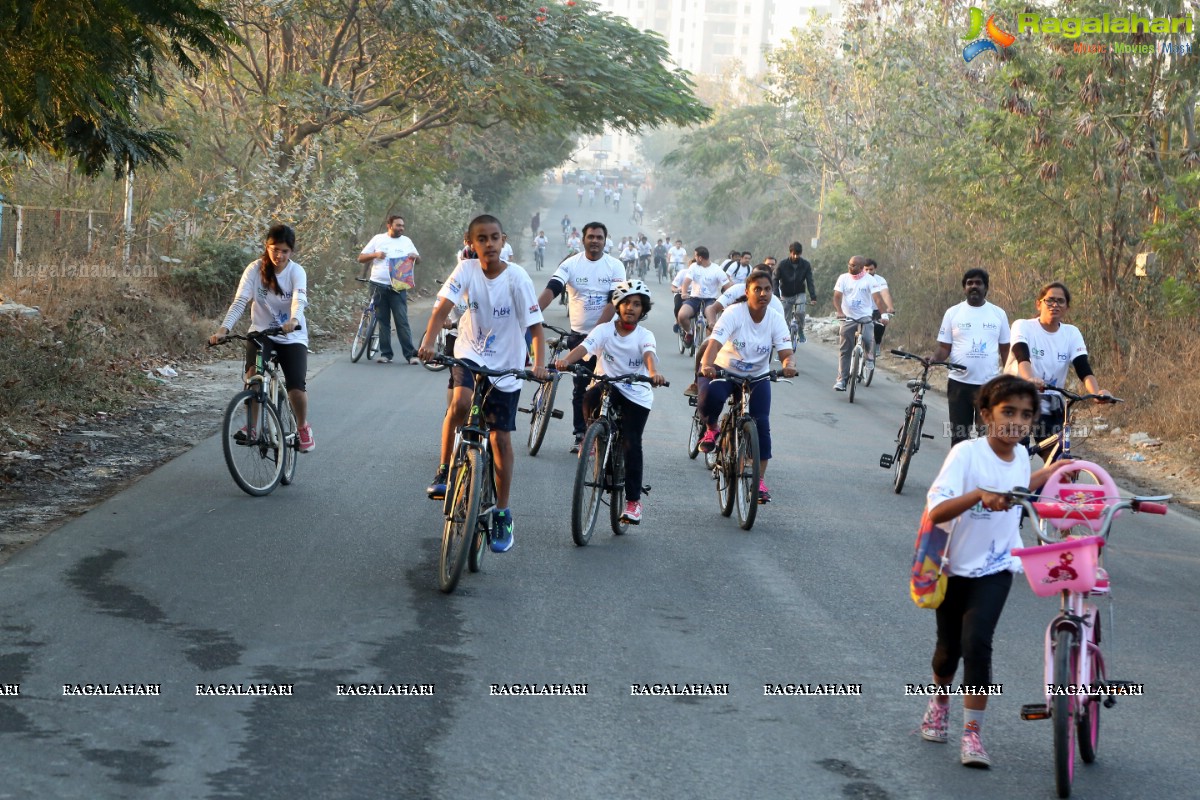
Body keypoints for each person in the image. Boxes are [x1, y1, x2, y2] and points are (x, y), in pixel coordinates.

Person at [918, 374, 1072, 768]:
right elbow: (937, 511)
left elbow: (1018, 487)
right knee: (947, 652)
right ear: (986, 414)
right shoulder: (966, 454)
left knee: (978, 644)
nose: (1016, 423)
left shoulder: (1021, 455)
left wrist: (1052, 472)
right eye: (1008, 413)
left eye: (1025, 416)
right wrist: (977, 496)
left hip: (998, 566)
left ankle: (973, 734)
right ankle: (939, 699)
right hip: (952, 567)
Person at [419, 215, 547, 553]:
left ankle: (502, 511)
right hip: (469, 352)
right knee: (460, 403)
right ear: (470, 242)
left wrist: (539, 363)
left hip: (507, 362)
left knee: (500, 438)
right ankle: (445, 470)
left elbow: (535, 328)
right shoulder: (465, 271)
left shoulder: (517, 277)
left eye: (494, 238)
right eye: (481, 239)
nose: (489, 244)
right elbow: (442, 307)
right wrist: (429, 341)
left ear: (503, 240)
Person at [554, 280, 666, 523]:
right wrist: (565, 360)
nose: (630, 308)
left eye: (636, 304)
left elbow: (648, 356)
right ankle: (590, 436)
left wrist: (652, 373)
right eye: (626, 303)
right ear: (617, 306)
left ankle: (633, 502)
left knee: (631, 443)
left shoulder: (645, 335)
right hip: (608, 385)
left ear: (643, 310)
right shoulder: (604, 330)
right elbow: (584, 348)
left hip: (637, 392)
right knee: (589, 396)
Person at [210, 224, 315, 452]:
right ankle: (253, 427)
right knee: (253, 377)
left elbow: (299, 300)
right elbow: (240, 301)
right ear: (267, 247)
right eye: (275, 249)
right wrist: (223, 329)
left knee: (296, 388)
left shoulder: (297, 272)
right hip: (261, 333)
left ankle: (302, 426)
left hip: (292, 335)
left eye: (285, 251)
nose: (279, 255)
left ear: (292, 252)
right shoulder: (254, 270)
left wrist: (294, 320)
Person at [696, 268, 797, 502]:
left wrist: (789, 364)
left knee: (762, 426)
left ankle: (759, 482)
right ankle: (712, 428)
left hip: (757, 377)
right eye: (758, 289)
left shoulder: (775, 318)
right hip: (727, 371)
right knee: (709, 398)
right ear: (747, 291)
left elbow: (785, 352)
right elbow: (714, 344)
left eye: (768, 289)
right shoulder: (733, 313)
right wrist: (708, 365)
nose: (763, 293)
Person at [538, 221, 628, 453]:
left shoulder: (615, 266)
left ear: (605, 241)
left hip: (607, 334)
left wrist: (597, 332)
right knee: (580, 387)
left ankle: (608, 427)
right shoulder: (571, 264)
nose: (595, 241)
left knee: (606, 384)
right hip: (579, 335)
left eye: (599, 237)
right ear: (583, 240)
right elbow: (553, 289)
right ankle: (581, 434)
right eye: (591, 237)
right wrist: (533, 314)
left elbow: (614, 301)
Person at [1003, 281, 1110, 444]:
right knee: (1017, 455)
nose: (1055, 305)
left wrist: (1097, 393)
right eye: (1050, 300)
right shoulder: (1022, 326)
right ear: (1039, 304)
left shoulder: (1071, 333)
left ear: (1067, 308)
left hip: (1050, 403)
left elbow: (1083, 368)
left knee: (1057, 457)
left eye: (1060, 301)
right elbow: (1022, 357)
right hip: (1017, 399)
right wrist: (1030, 379)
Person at [932, 269, 1011, 446]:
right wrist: (934, 359)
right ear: (964, 288)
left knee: (987, 438)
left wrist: (1010, 377)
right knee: (960, 437)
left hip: (989, 386)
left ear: (986, 288)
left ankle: (983, 473)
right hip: (959, 385)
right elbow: (944, 348)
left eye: (978, 283)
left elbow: (1006, 349)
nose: (974, 286)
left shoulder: (998, 314)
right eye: (969, 283)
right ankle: (961, 473)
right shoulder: (953, 313)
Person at [684, 264, 786, 397]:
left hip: (757, 346)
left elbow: (780, 333)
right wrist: (712, 323)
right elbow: (712, 309)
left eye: (766, 287)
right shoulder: (736, 290)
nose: (762, 292)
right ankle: (697, 383)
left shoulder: (776, 304)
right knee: (706, 347)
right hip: (726, 336)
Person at [356, 215, 421, 364]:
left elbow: (419, 260)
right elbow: (360, 258)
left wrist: (415, 257)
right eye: (398, 225)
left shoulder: (407, 241)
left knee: (402, 320)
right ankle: (386, 354)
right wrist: (375, 254)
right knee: (383, 320)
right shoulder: (378, 239)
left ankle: (410, 355)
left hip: (398, 286)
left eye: (403, 226)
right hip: (378, 284)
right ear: (389, 225)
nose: (401, 229)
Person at [832, 255, 886, 391]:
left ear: (862, 268)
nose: (850, 267)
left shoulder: (869, 280)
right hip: (848, 316)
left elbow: (878, 299)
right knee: (845, 350)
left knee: (868, 339)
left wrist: (884, 315)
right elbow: (837, 297)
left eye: (854, 265)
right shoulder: (843, 278)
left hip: (865, 316)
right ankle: (841, 380)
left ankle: (869, 358)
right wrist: (839, 311)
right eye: (849, 264)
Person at [676, 247, 731, 346]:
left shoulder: (717, 269)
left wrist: (728, 299)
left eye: (695, 256)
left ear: (700, 258)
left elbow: (728, 287)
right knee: (682, 316)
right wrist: (684, 293)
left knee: (711, 323)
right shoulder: (693, 267)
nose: (694, 258)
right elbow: (686, 282)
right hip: (694, 299)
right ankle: (689, 333)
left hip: (710, 300)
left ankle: (708, 344)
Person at [774, 242, 816, 344]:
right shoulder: (782, 264)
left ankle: (801, 330)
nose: (796, 256)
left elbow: (810, 281)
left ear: (801, 253)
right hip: (785, 294)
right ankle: (785, 336)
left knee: (800, 312)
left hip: (800, 293)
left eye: (798, 254)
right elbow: (775, 279)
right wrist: (776, 295)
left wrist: (813, 297)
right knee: (785, 318)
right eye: (794, 254)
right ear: (790, 253)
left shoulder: (805, 265)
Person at [864, 259, 896, 357]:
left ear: (875, 269)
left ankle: (877, 344)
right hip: (861, 310)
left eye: (871, 269)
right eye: (866, 270)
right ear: (862, 269)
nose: (869, 272)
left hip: (876, 309)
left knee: (881, 323)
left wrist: (890, 307)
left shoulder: (880, 280)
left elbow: (885, 294)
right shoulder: (859, 278)